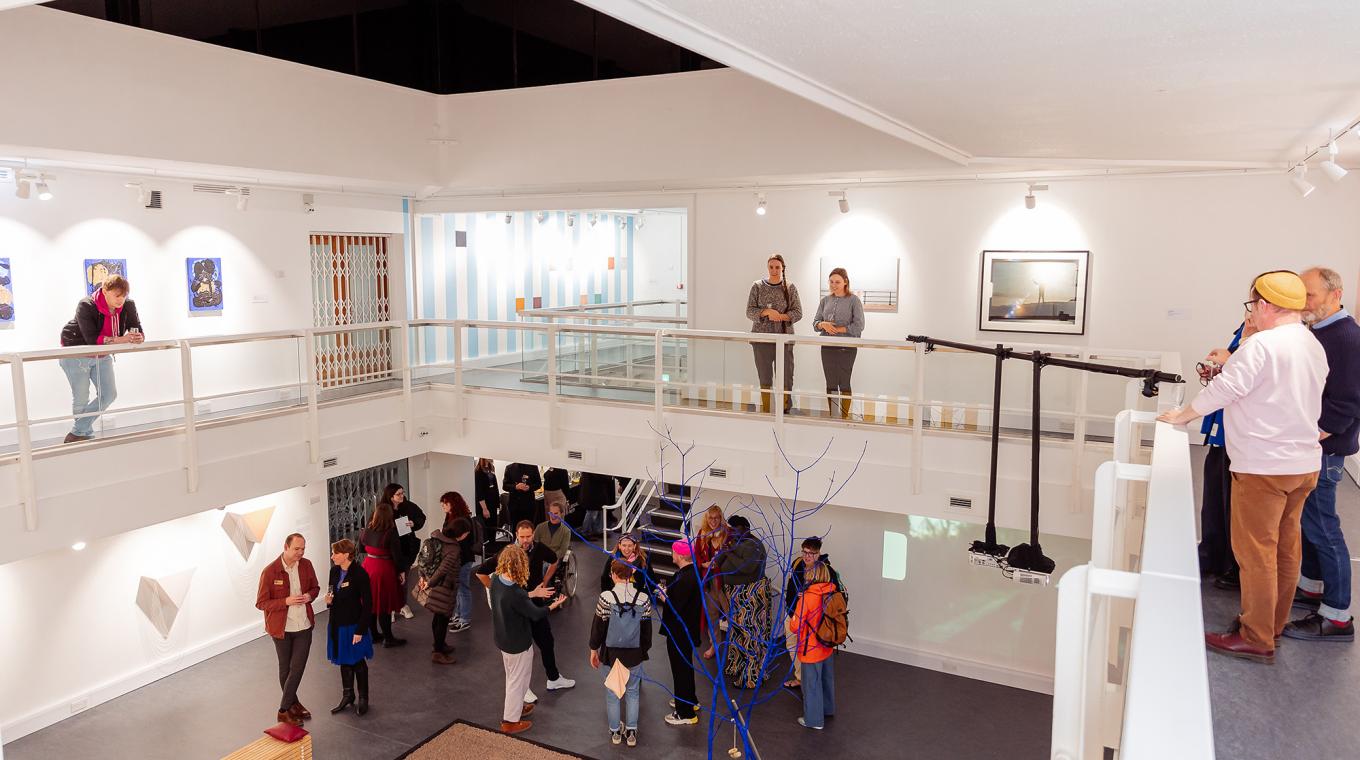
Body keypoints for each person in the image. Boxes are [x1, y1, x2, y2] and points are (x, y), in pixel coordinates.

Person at [1159, 270, 1328, 664]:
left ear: (1265, 305)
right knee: (1287, 549)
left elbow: (1224, 390)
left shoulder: (1261, 346)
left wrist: (1182, 416)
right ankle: (1272, 625)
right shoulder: (1310, 343)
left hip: (1263, 466)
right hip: (1303, 465)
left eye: (1253, 305)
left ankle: (1255, 636)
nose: (1252, 312)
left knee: (1255, 554)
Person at [1285, 267, 1360, 642]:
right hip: (1315, 446)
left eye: (1310, 295)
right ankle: (1313, 588)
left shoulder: (1346, 337)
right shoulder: (1320, 331)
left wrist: (1311, 437)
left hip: (1323, 450)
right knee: (1310, 523)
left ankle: (1337, 615)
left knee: (1323, 528)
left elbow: (1347, 401)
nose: (1304, 303)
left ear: (1335, 294)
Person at [478, 521, 576, 694]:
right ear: (516, 534)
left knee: (546, 641)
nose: (525, 540)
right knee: (523, 649)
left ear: (533, 535)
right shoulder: (507, 554)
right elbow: (481, 572)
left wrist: (545, 581)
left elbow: (554, 560)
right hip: (518, 608)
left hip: (535, 603)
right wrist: (496, 590)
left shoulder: (538, 548)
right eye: (522, 536)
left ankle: (553, 678)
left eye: (528, 536)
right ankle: (524, 689)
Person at [58, 273, 144, 443]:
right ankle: (85, 435)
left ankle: (77, 433)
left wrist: (139, 337)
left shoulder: (128, 305)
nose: (121, 300)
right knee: (81, 397)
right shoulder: (86, 304)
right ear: (105, 291)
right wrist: (122, 340)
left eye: (124, 295)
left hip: (103, 354)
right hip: (76, 353)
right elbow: (92, 339)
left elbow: (137, 328)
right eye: (117, 295)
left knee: (109, 394)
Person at [491, 544, 568, 735]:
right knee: (517, 680)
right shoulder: (515, 592)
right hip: (518, 643)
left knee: (514, 677)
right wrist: (553, 605)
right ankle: (510, 720)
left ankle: (516, 707)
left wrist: (532, 593)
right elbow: (535, 613)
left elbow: (518, 600)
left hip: (503, 639)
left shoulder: (496, 580)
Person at [1196, 322, 1248, 589]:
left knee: (1235, 507)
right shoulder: (1245, 331)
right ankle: (1212, 555)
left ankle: (1234, 566)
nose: (1249, 315)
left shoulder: (1268, 343)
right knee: (1215, 500)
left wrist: (1229, 363)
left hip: (1240, 438)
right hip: (1221, 434)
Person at [254, 533, 319, 727]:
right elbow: (261, 603)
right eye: (297, 549)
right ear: (286, 547)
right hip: (281, 628)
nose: (301, 552)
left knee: (297, 667)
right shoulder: (270, 571)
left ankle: (284, 709)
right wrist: (286, 601)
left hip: (304, 625)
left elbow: (315, 588)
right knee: (286, 669)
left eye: (303, 548)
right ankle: (292, 706)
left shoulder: (306, 565)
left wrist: (309, 596)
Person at [590, 560, 654, 747]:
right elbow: (647, 631)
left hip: (612, 654)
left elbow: (598, 628)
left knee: (613, 694)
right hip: (634, 653)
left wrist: (594, 649)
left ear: (614, 575)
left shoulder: (606, 597)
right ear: (631, 575)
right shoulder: (643, 598)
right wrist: (643, 651)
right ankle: (632, 732)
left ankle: (615, 732)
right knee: (633, 693)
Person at [716, 515, 770, 687]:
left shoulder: (754, 545)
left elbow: (746, 567)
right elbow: (718, 563)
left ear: (744, 528)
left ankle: (751, 676)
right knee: (737, 633)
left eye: (733, 529)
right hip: (736, 596)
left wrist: (729, 552)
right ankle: (737, 666)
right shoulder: (735, 542)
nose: (730, 532)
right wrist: (724, 550)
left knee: (751, 634)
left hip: (750, 596)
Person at [782, 537, 843, 688]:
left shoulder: (826, 571)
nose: (807, 556)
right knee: (791, 645)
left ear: (818, 553)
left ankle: (811, 686)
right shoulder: (797, 564)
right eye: (805, 552)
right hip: (794, 615)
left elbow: (834, 597)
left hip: (814, 622)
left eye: (811, 553)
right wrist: (792, 608)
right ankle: (801, 678)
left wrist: (810, 597)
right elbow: (790, 589)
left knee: (812, 654)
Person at [746, 253, 802, 414]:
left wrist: (781, 317)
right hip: (761, 340)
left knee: (785, 376)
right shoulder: (757, 286)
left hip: (784, 340)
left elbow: (798, 312)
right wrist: (766, 312)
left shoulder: (789, 287)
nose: (774, 270)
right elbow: (749, 311)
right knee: (764, 376)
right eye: (771, 266)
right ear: (767, 267)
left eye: (777, 267)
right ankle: (767, 409)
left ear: (783, 268)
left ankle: (784, 410)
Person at [324, 538, 374, 716]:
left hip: (353, 625)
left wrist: (360, 630)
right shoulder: (334, 572)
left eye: (335, 553)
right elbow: (331, 591)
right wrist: (329, 601)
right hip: (337, 623)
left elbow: (368, 605)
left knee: (358, 662)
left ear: (346, 555)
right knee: (343, 661)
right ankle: (348, 695)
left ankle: (363, 698)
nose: (332, 557)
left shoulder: (360, 574)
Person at [788, 561, 838, 730]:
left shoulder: (807, 597)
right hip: (827, 644)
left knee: (811, 684)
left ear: (811, 575)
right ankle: (827, 709)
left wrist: (795, 615)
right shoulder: (831, 591)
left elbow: (794, 626)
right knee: (826, 679)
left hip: (811, 648)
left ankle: (814, 720)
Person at [658, 540, 703, 726]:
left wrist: (663, 597)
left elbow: (676, 607)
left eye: (673, 552)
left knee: (680, 670)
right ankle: (690, 700)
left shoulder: (685, 578)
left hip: (679, 632)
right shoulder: (692, 573)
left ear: (680, 555)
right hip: (688, 629)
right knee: (686, 667)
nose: (671, 554)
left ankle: (685, 713)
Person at [812, 267, 865, 419]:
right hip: (827, 347)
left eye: (837, 282)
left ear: (845, 282)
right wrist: (823, 325)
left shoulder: (854, 300)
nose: (834, 285)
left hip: (846, 348)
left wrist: (839, 329)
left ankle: (844, 417)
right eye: (831, 281)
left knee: (844, 381)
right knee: (830, 381)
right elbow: (815, 323)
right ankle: (834, 415)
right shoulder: (825, 301)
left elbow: (859, 326)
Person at [419, 519, 471, 664]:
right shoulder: (453, 548)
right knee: (442, 619)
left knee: (438, 616)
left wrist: (424, 578)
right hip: (444, 587)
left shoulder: (437, 538)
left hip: (436, 584)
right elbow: (443, 569)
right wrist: (429, 583)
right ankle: (438, 652)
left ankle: (439, 645)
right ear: (461, 534)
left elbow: (423, 559)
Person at [360, 502, 407, 647]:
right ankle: (388, 638)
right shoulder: (390, 533)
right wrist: (401, 571)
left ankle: (373, 634)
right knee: (384, 605)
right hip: (383, 569)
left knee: (370, 603)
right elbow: (397, 556)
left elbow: (361, 548)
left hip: (367, 567)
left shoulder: (366, 530)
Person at [440, 491, 483, 633]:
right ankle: (458, 614)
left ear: (453, 503)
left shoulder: (463, 520)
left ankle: (465, 619)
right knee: (457, 588)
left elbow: (461, 542)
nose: (443, 506)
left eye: (445, 503)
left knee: (462, 588)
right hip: (456, 558)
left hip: (463, 559)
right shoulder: (450, 517)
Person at [381, 483, 425, 620]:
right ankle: (391, 607)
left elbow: (421, 517)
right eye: (398, 494)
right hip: (389, 551)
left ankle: (402, 604)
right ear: (391, 496)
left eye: (402, 493)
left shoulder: (408, 506)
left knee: (403, 580)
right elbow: (377, 525)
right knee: (390, 580)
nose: (402, 496)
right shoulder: (383, 509)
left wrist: (414, 524)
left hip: (406, 548)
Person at [693, 505, 731, 660]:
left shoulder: (728, 533)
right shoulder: (702, 533)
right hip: (709, 581)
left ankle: (736, 647)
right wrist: (703, 564)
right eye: (711, 518)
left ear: (721, 517)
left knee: (732, 615)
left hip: (724, 582)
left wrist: (720, 564)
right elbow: (696, 555)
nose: (714, 521)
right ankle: (714, 644)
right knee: (711, 615)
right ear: (706, 519)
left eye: (716, 517)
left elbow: (732, 556)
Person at [577, 471, 618, 539]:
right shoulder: (592, 466)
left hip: (597, 492)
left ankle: (598, 531)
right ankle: (585, 532)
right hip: (592, 492)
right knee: (592, 512)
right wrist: (609, 477)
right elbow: (600, 476)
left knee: (599, 511)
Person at [534, 500, 572, 572]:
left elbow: (563, 550)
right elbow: (534, 543)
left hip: (554, 559)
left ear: (561, 514)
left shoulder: (566, 531)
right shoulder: (540, 527)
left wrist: (549, 557)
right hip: (539, 556)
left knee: (544, 566)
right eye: (551, 513)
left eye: (556, 513)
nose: (553, 516)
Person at [503, 462, 543, 528]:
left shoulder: (533, 467)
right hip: (514, 506)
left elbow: (538, 484)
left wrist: (529, 487)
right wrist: (516, 487)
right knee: (515, 528)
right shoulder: (509, 468)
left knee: (529, 527)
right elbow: (505, 486)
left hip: (529, 505)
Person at [475, 458, 501, 529]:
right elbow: (479, 492)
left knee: (493, 527)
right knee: (487, 528)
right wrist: (485, 509)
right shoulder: (478, 472)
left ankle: (493, 540)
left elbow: (495, 488)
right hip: (484, 505)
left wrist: (498, 503)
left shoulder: (491, 470)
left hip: (493, 505)